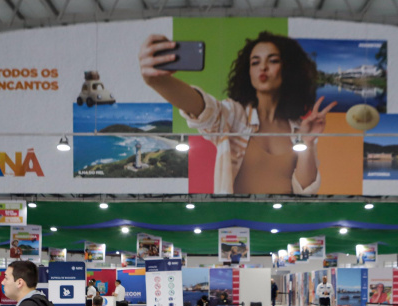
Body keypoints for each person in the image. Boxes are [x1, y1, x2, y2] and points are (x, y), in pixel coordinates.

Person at [139, 32, 333, 195]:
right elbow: (203, 110)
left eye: (273, 61)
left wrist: (307, 142)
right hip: (235, 228)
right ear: (247, 71)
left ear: (289, 69)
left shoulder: (299, 128)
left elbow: (305, 191)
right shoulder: (234, 116)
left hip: (283, 226)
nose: (262, 68)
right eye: (255, 62)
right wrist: (157, 81)